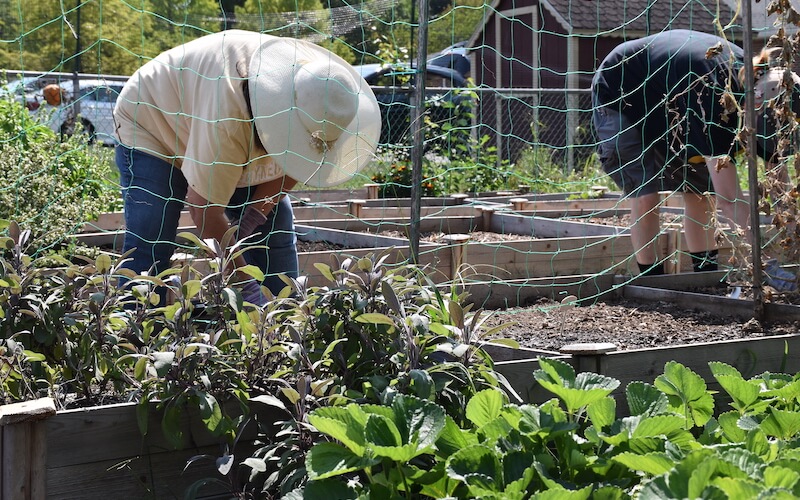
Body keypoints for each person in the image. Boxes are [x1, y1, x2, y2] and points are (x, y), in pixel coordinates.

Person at [113, 30, 381, 304]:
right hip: (152, 121)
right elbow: (204, 209)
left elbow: (300, 163)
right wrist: (244, 283)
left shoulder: (323, 94)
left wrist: (255, 214)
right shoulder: (229, 120)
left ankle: (283, 322)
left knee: (274, 233)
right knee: (152, 238)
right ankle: (135, 335)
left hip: (210, 112)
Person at [591, 29, 798, 290]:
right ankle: (652, 282)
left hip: (674, 100)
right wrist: (767, 264)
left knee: (701, 193)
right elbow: (730, 199)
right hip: (624, 90)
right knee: (646, 193)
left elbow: (780, 188)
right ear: (755, 105)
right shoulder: (717, 103)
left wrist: (795, 240)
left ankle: (706, 278)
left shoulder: (759, 101)